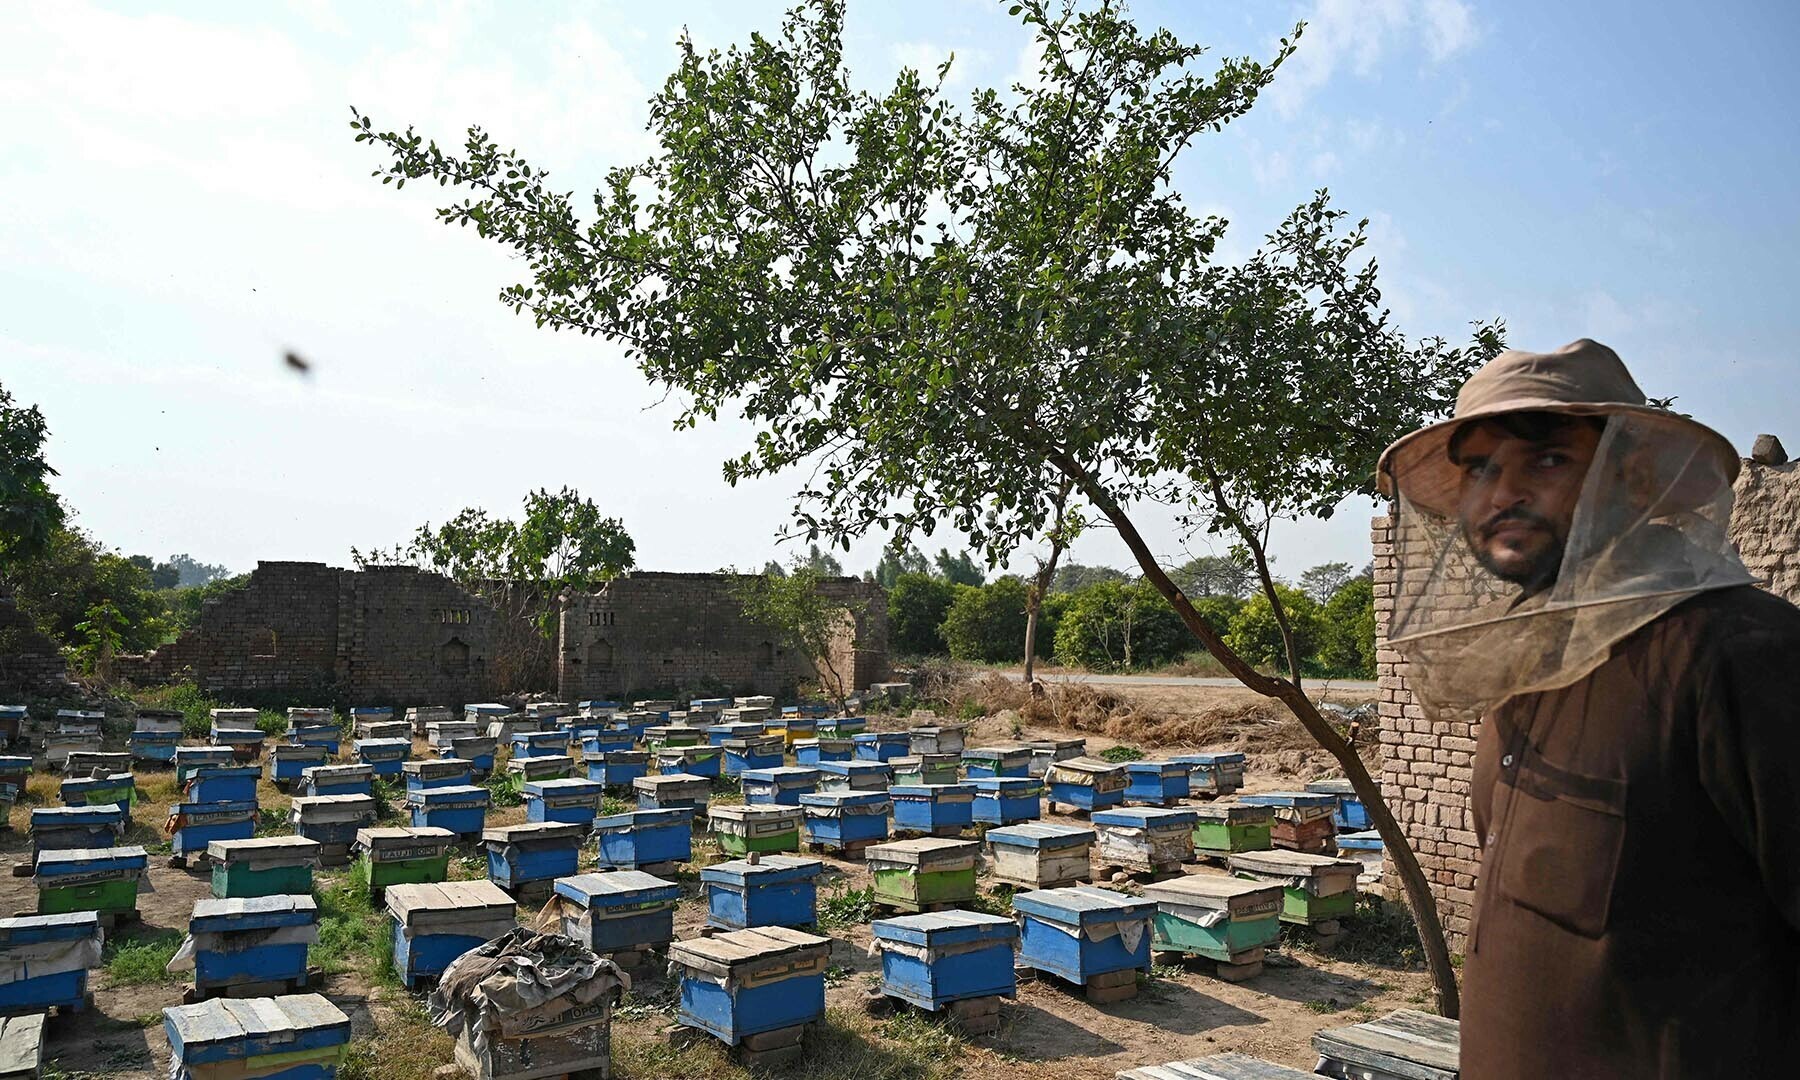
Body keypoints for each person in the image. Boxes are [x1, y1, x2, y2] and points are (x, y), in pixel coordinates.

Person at [1377, 339, 1800, 1077]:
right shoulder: (1529, 660)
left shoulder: (1742, 653)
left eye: (1546, 460)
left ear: (1633, 479)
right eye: (1481, 468)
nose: (1503, 492)